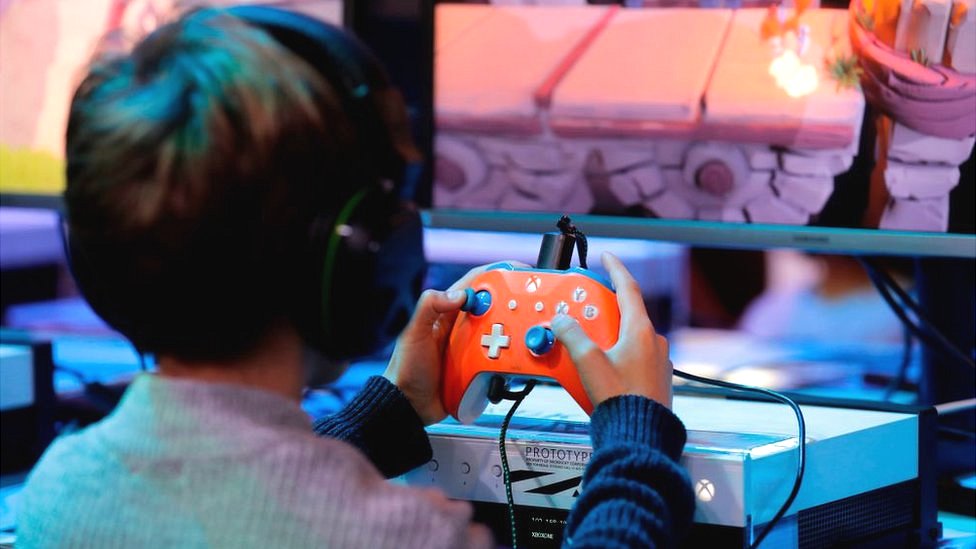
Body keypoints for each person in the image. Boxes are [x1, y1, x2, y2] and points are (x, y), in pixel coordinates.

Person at [17, 7, 694, 548]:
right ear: (362, 260)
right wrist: (635, 439)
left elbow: (228, 505)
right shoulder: (406, 534)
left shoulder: (59, 487)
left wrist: (387, 417)